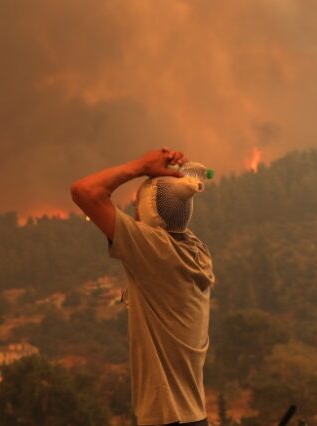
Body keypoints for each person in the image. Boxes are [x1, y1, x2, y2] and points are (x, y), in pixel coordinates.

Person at [71, 148, 214, 426]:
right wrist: (172, 178)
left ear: (149, 215)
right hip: (195, 417)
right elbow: (172, 212)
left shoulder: (155, 250)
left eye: (137, 207)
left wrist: (142, 166)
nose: (133, 215)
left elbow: (84, 191)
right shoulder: (197, 251)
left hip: (166, 418)